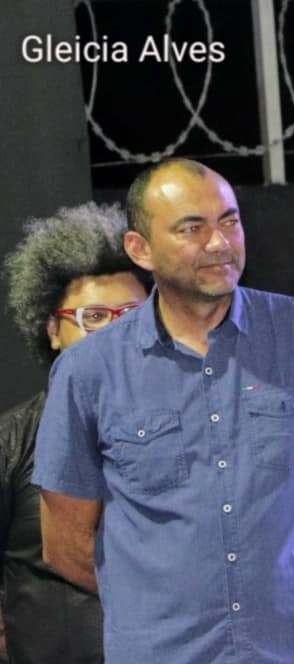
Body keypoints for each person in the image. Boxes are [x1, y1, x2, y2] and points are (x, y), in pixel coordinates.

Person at [32, 158, 294, 664]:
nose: (218, 243)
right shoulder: (87, 371)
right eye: (192, 228)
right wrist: (158, 599)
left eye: (229, 221)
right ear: (140, 248)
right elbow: (65, 543)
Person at [0, 202, 152, 663]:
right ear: (52, 330)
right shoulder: (12, 442)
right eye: (94, 317)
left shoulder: (201, 425)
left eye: (132, 315)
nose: (115, 333)